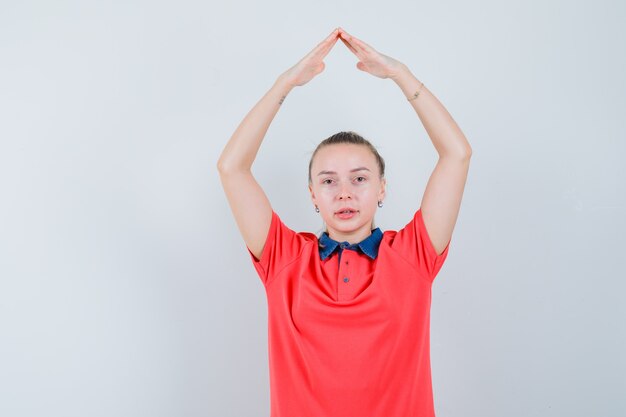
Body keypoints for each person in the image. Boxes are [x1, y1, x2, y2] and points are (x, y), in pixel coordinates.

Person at [217, 27, 472, 417]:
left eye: (359, 178)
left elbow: (456, 153)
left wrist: (400, 74)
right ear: (312, 194)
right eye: (328, 181)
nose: (344, 193)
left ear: (382, 189)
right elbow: (231, 168)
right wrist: (284, 84)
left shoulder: (413, 255)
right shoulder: (284, 259)